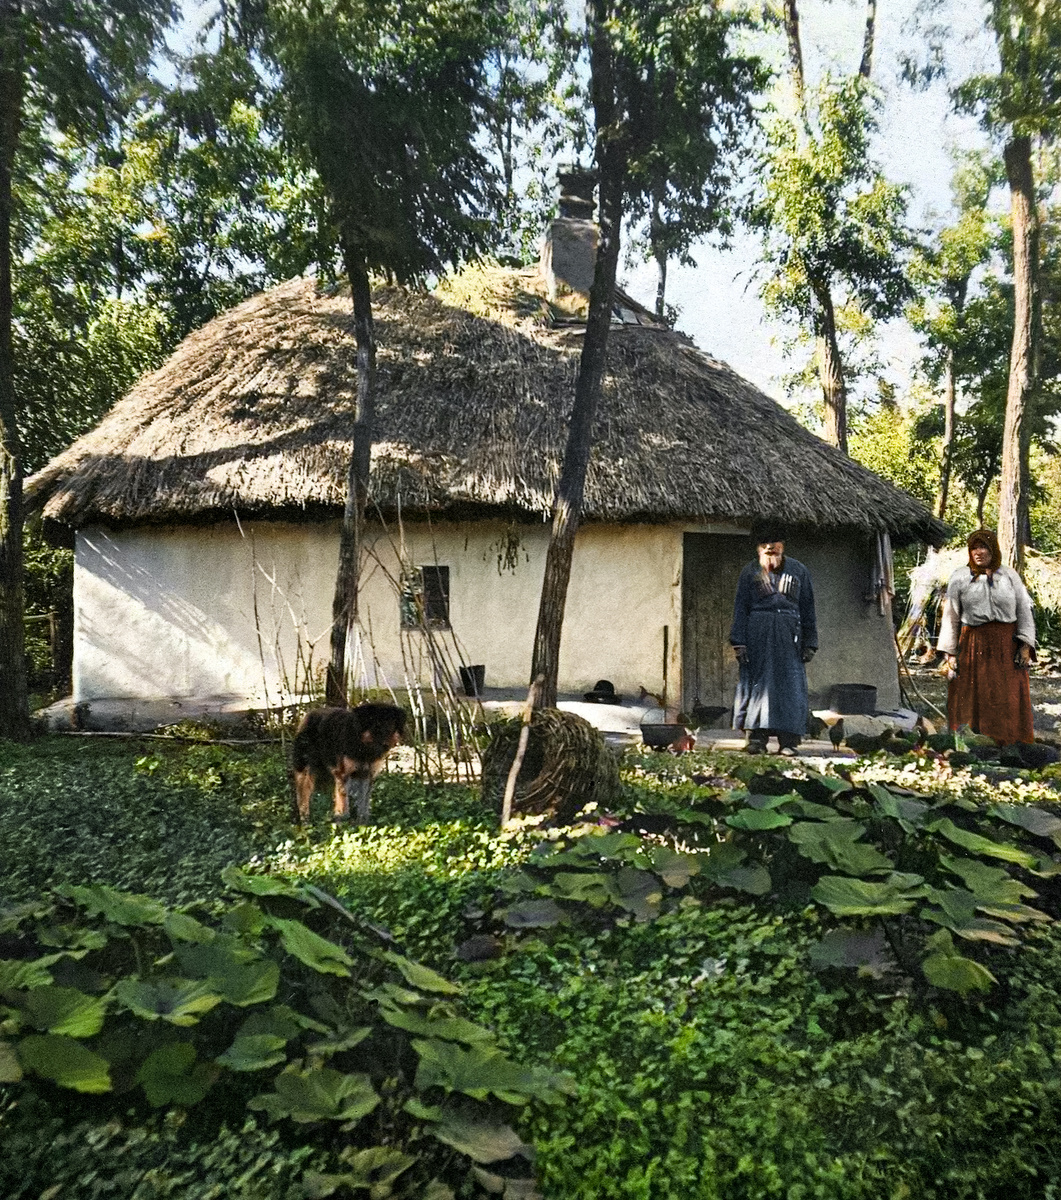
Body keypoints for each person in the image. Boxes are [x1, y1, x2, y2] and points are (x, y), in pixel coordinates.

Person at [937, 528, 1036, 745]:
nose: (979, 552)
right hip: (973, 643)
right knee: (971, 694)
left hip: (1006, 644)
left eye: (983, 547)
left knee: (1006, 694)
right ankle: (972, 744)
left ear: (993, 550)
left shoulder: (1009, 576)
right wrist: (950, 653)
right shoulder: (960, 577)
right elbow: (951, 615)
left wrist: (1026, 644)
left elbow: (1023, 610)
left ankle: (1009, 743)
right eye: (974, 548)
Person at [730, 528, 818, 755]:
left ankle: (788, 742)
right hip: (757, 637)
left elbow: (808, 607)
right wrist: (739, 641)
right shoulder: (749, 572)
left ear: (783, 545)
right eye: (764, 543)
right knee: (756, 686)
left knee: (789, 687)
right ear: (758, 548)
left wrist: (810, 642)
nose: (770, 547)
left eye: (775, 543)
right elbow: (741, 607)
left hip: (790, 639)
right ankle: (756, 740)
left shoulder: (799, 571)